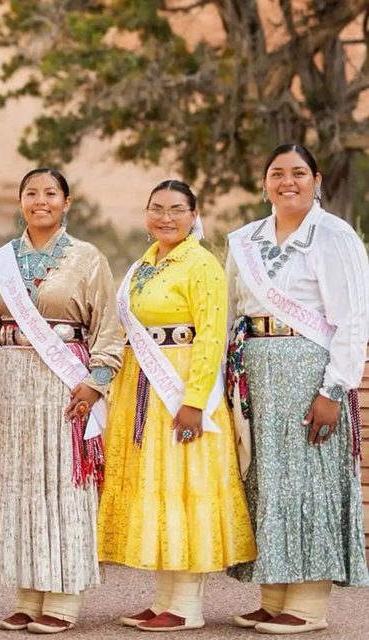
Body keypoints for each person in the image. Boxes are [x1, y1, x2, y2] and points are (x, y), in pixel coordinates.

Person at [97, 179, 256, 632]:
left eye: (176, 209)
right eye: (156, 208)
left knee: (186, 485)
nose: (165, 217)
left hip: (182, 385)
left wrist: (194, 402)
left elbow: (212, 334)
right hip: (140, 385)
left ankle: (186, 605)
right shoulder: (144, 264)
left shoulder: (202, 264)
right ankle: (163, 598)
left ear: (193, 215)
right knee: (160, 484)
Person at [226, 144, 369, 634]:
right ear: (264, 182)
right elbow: (231, 313)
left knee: (308, 482)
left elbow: (353, 319)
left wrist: (335, 388)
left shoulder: (334, 236)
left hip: (309, 372)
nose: (288, 182)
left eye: (298, 173)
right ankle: (273, 596)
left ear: (317, 179)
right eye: (277, 173)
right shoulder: (244, 239)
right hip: (257, 374)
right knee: (267, 480)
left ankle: (307, 606)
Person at [0, 168, 123, 634]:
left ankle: (62, 597)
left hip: (65, 384)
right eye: (31, 193)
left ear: (67, 201)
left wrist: (96, 381)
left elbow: (109, 329)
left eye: (50, 193)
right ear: (20, 201)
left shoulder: (88, 258)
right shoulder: (2, 261)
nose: (41, 201)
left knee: (63, 483)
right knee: (19, 485)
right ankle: (26, 593)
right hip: (14, 384)